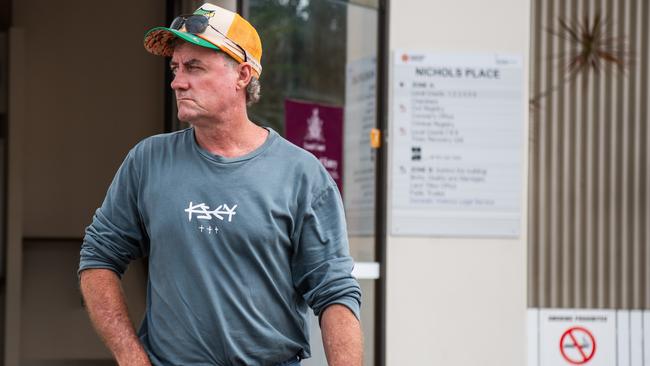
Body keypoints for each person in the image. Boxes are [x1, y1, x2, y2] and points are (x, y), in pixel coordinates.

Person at [78, 3, 363, 366]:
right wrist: (131, 358)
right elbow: (98, 258)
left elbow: (334, 291)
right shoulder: (148, 161)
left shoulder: (301, 174)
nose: (178, 81)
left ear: (242, 75)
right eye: (176, 68)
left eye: (194, 67)